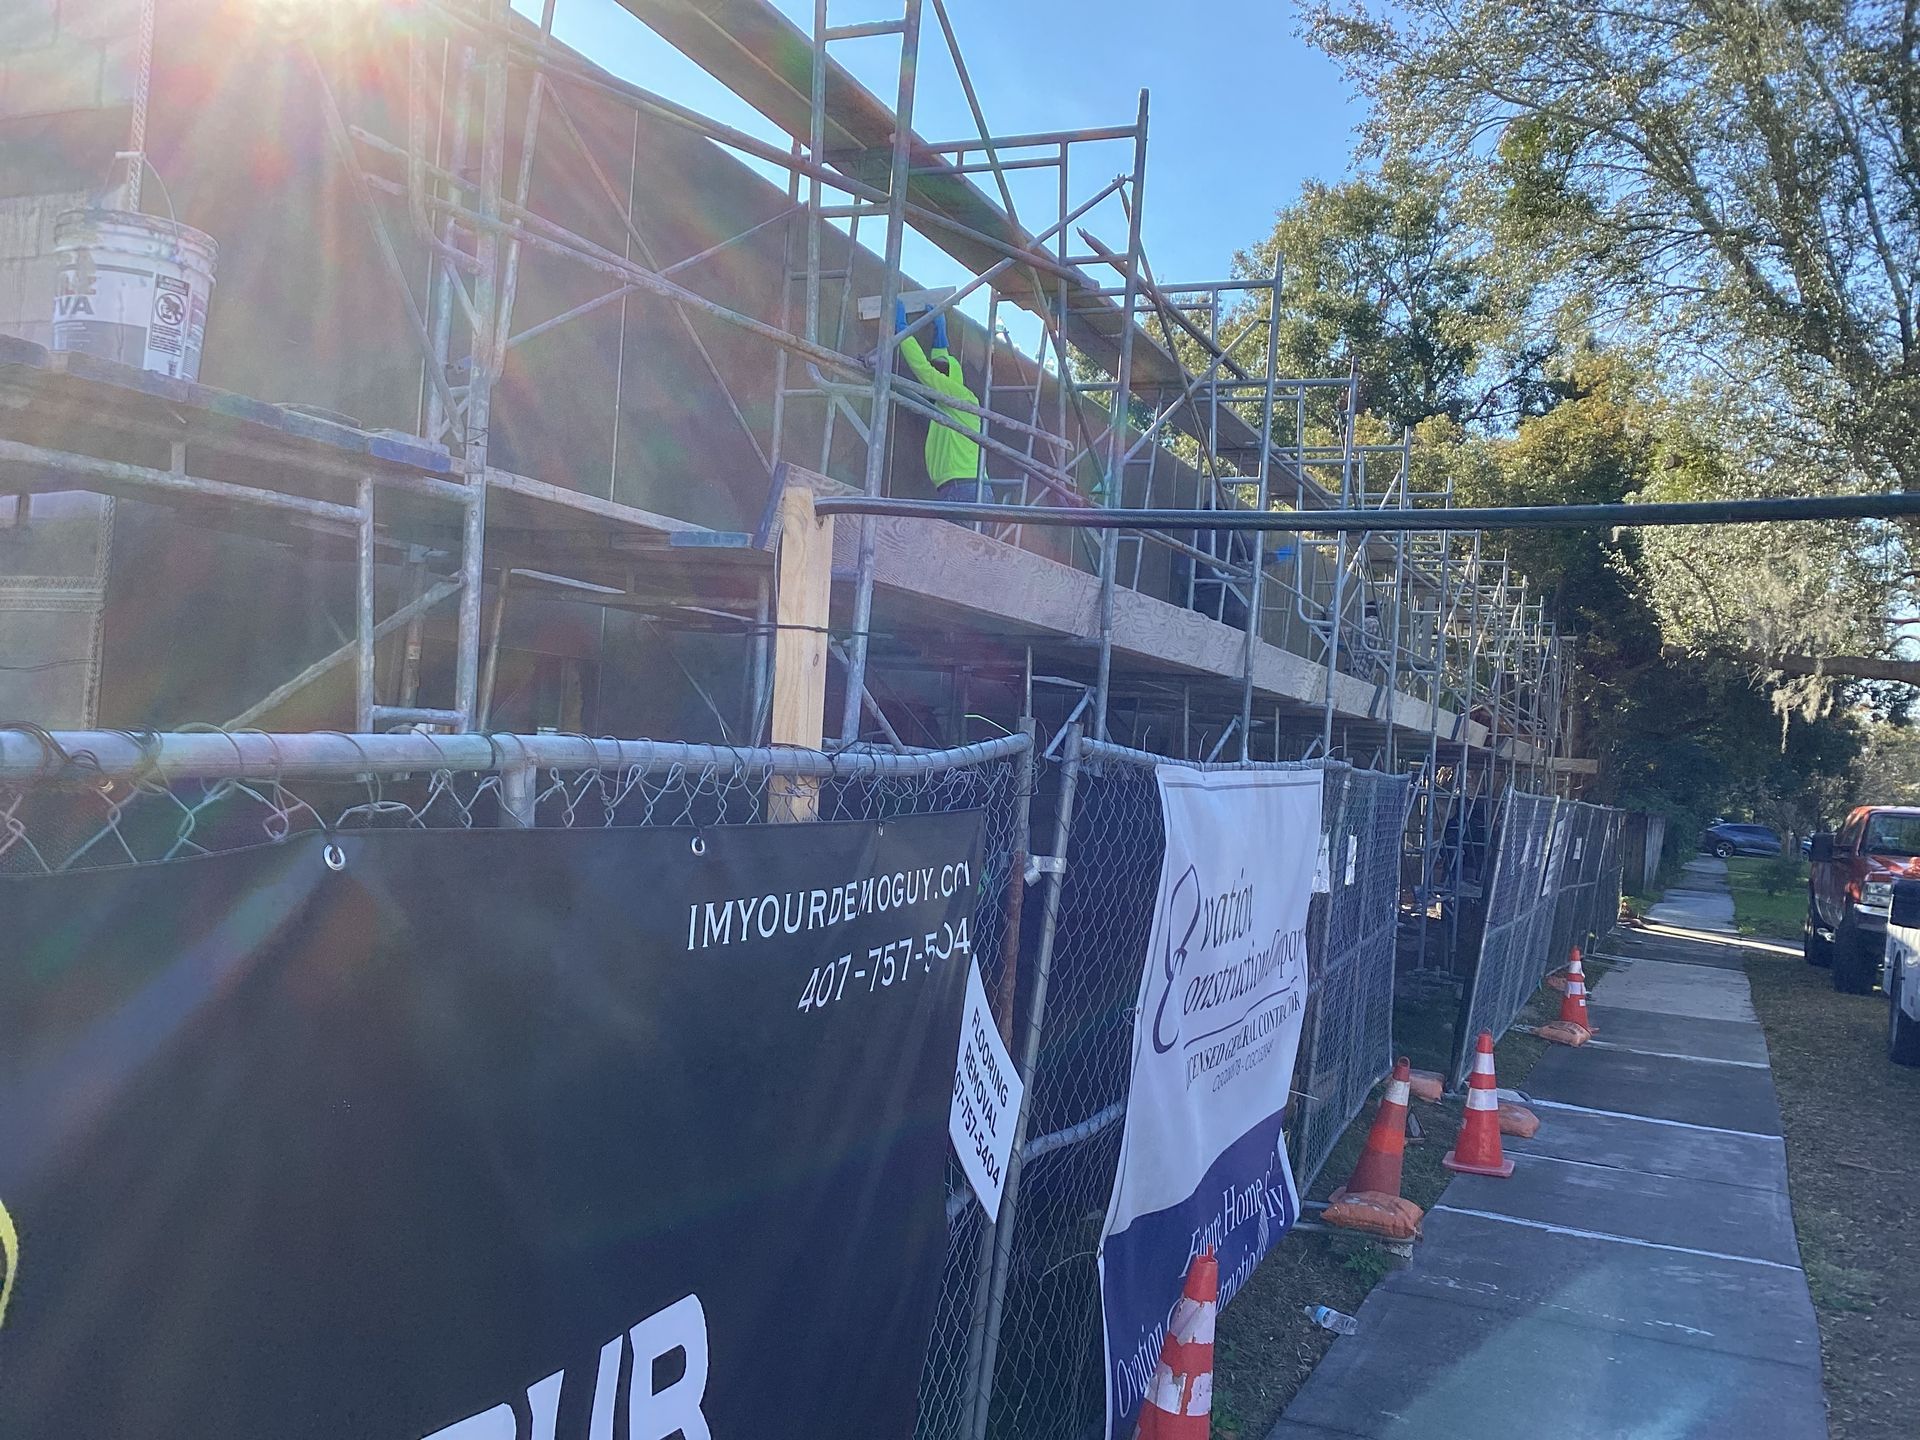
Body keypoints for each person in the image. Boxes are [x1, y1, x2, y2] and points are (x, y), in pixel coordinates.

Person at [894, 300, 984, 505]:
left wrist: (902, 332)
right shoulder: (953, 400)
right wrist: (939, 335)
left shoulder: (960, 396)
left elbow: (926, 371)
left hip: (962, 489)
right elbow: (942, 365)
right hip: (966, 488)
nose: (938, 375)